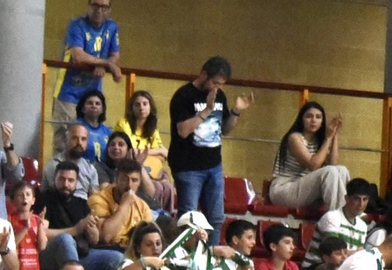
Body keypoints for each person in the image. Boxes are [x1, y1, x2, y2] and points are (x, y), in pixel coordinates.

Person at [168, 56, 252, 231]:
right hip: (188, 166)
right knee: (188, 218)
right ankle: (187, 248)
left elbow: (225, 130)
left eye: (221, 84)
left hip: (214, 165)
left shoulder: (220, 95)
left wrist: (236, 111)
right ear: (203, 74)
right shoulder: (183, 95)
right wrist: (207, 110)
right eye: (215, 83)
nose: (217, 88)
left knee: (215, 218)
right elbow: (183, 131)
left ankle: (211, 248)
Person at [269, 101, 348, 215]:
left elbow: (333, 163)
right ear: (302, 119)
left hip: (303, 189)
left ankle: (342, 213)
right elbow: (313, 165)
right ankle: (337, 217)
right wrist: (328, 138)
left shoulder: (318, 141)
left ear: (322, 122)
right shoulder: (294, 138)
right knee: (330, 171)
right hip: (284, 189)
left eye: (318, 117)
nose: (313, 120)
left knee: (342, 170)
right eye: (309, 116)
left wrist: (334, 135)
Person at [53, 0, 121, 128]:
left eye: (103, 7)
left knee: (93, 132)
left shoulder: (111, 27)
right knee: (67, 134)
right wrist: (106, 64)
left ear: (109, 10)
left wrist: (103, 65)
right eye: (95, 5)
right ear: (88, 6)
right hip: (68, 92)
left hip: (93, 93)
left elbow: (115, 55)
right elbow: (78, 56)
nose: (99, 10)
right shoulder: (76, 25)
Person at [88, 158, 153, 252]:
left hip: (133, 250)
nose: (129, 185)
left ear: (139, 183)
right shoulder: (98, 200)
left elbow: (149, 236)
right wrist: (124, 205)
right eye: (125, 179)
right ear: (116, 180)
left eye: (134, 180)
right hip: (107, 250)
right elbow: (106, 237)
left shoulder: (142, 206)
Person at [43, 123, 101, 199]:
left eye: (83, 139)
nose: (79, 143)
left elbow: (95, 198)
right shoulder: (52, 165)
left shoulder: (90, 169)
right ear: (66, 140)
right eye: (74, 138)